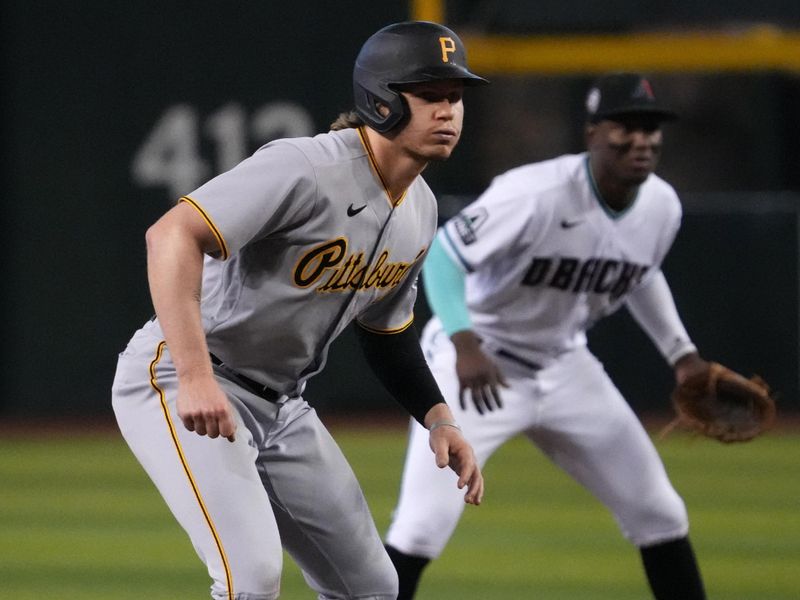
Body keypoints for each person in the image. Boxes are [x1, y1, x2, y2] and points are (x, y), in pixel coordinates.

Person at [111, 21, 488, 600]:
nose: (448, 112)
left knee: (373, 587)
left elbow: (386, 333)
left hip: (282, 404)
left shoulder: (422, 207)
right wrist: (194, 376)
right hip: (181, 375)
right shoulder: (307, 166)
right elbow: (171, 236)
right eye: (429, 95)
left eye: (455, 97)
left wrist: (440, 418)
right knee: (252, 579)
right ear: (382, 99)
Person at [384, 73, 708, 600]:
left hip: (564, 365)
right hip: (477, 364)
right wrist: (464, 339)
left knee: (660, 513)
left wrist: (683, 354)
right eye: (625, 126)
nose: (641, 139)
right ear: (593, 133)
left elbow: (640, 272)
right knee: (420, 528)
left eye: (651, 127)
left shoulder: (660, 206)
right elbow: (445, 253)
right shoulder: (536, 193)